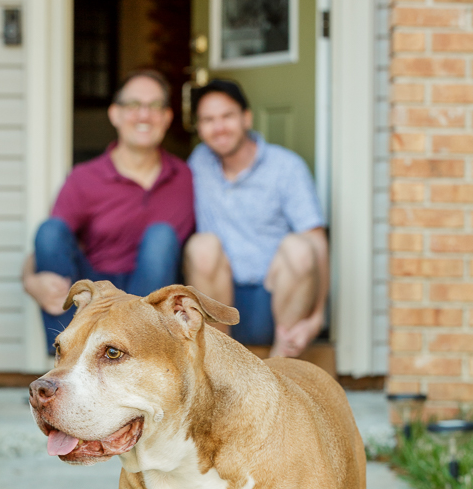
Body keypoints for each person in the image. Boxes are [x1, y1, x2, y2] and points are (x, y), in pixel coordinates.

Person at [23, 69, 194, 352]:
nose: (143, 115)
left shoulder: (186, 178)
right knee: (49, 231)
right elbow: (46, 248)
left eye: (154, 106)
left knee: (162, 236)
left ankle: (138, 356)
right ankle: (66, 360)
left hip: (150, 298)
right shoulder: (85, 178)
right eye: (133, 105)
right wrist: (31, 282)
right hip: (94, 295)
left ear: (167, 117)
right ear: (115, 114)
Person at [185, 79, 328, 358]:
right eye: (208, 120)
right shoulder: (197, 164)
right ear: (199, 128)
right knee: (202, 246)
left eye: (227, 116)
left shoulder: (286, 167)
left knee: (300, 248)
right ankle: (221, 362)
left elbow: (318, 244)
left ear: (246, 118)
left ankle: (279, 366)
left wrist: (317, 317)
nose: (219, 127)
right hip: (218, 305)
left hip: (277, 303)